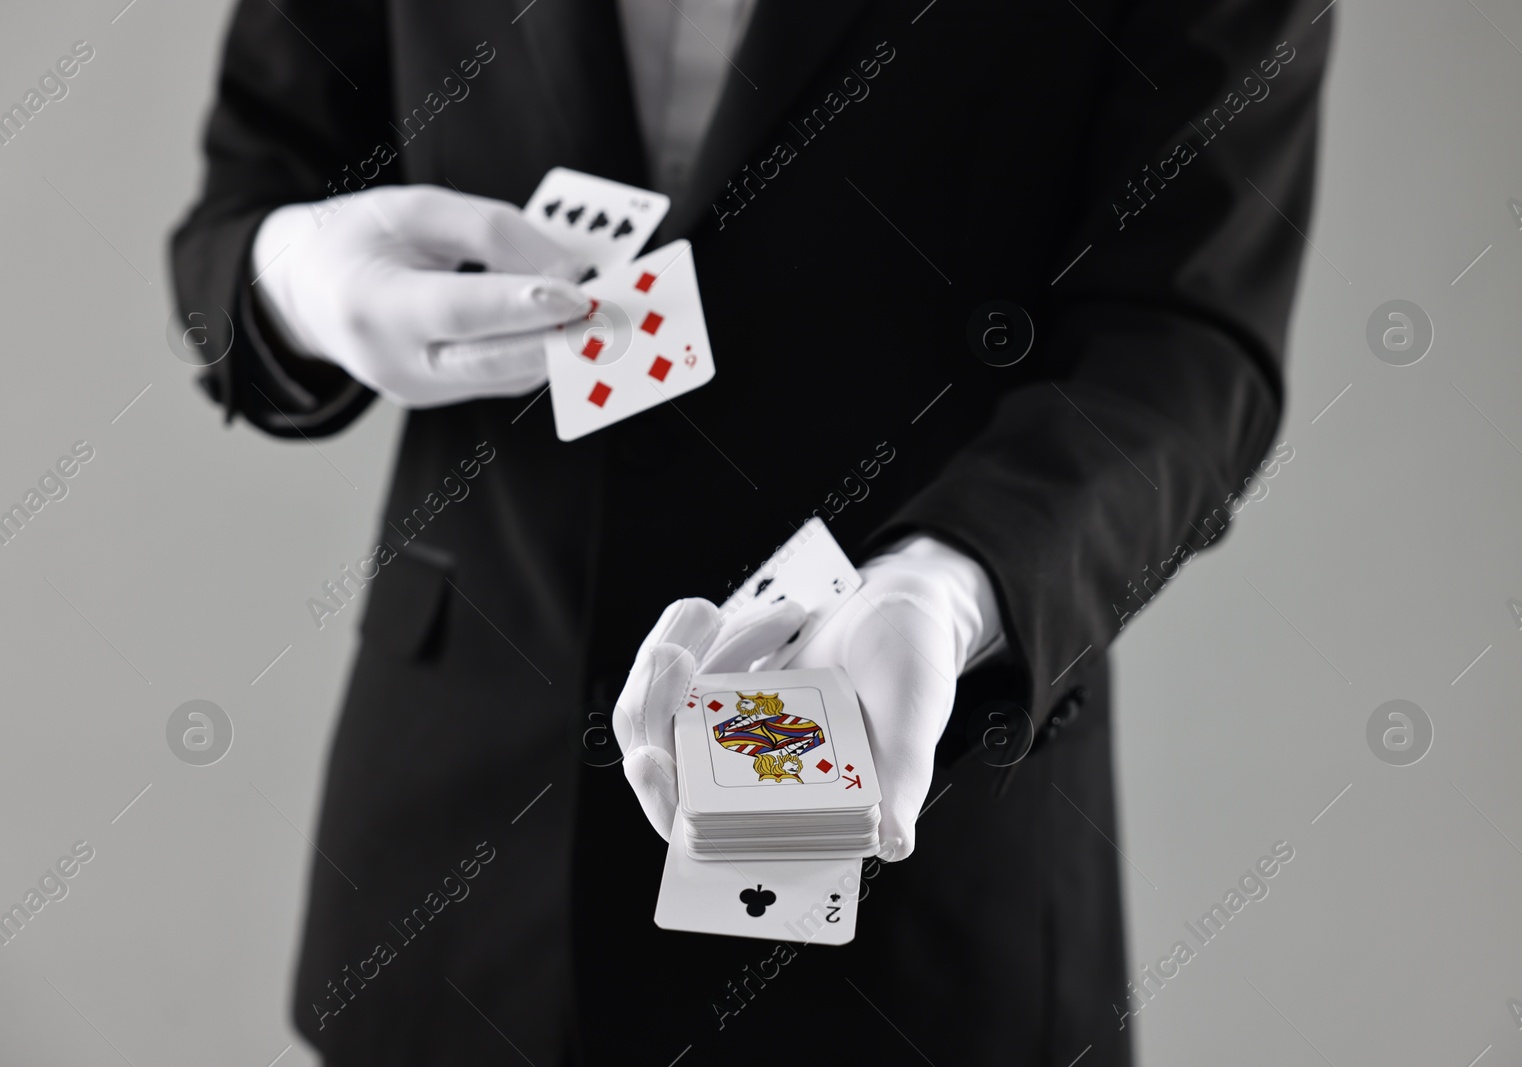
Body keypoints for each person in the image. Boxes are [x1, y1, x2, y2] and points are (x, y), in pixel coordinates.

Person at [170, 1, 1330, 1063]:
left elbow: (1184, 336)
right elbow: (247, 194)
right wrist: (292, 280)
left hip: (915, 875)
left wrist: (947, 582)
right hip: (457, 850)